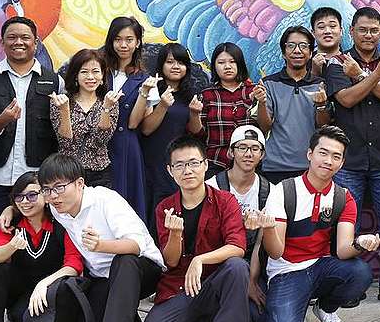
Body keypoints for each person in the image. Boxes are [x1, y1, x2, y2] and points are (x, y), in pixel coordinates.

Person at [1, 153, 165, 322]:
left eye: (59, 187)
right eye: (47, 190)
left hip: (141, 271)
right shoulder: (58, 209)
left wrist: (101, 245)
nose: (53, 196)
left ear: (79, 183)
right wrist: (10, 210)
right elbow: (29, 206)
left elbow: (136, 246)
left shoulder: (105, 200)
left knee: (123, 259)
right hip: (102, 280)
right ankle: (126, 318)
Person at [257, 125, 379, 322]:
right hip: (287, 271)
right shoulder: (284, 190)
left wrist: (360, 244)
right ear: (309, 154)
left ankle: (326, 308)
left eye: (336, 156)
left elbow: (343, 250)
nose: (328, 161)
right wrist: (267, 228)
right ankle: (299, 306)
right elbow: (276, 252)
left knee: (361, 272)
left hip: (322, 266)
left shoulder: (343, 197)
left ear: (342, 163)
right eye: (323, 153)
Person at [138, 136, 249, 322]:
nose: (187, 170)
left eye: (193, 163)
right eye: (179, 165)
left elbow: (237, 247)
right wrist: (175, 234)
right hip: (178, 288)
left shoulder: (225, 200)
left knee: (237, 267)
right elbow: (170, 261)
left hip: (213, 284)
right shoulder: (164, 208)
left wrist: (200, 260)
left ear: (205, 165)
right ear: (170, 171)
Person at [324, 8, 380, 306]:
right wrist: (376, 77)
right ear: (352, 31)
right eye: (363, 30)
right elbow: (346, 99)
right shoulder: (337, 62)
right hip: (350, 160)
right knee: (348, 225)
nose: (369, 35)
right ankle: (352, 284)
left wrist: (362, 76)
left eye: (374, 30)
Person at [0, 17, 61, 257]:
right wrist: (2, 119)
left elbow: (60, 127)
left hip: (35, 180)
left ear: (36, 43)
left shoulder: (54, 80)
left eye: (25, 37)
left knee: (35, 247)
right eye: (12, 37)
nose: (19, 42)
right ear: (2, 42)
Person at [0, 171, 84, 322]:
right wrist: (12, 246)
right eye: (19, 197)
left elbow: (74, 264)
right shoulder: (12, 224)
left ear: (46, 197)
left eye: (32, 195)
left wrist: (44, 283)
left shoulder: (61, 222)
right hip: (18, 288)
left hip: (47, 289)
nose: (25, 202)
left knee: (22, 316)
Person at [206, 125, 272, 322]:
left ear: (262, 155)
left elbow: (261, 242)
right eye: (242, 147)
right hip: (217, 262)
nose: (248, 154)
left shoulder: (269, 190)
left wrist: (251, 282)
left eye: (255, 148)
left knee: (258, 320)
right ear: (231, 152)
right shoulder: (211, 186)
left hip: (251, 262)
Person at [256, 26, 331, 184]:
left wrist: (322, 105)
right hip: (275, 166)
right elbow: (264, 126)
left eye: (303, 46)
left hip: (310, 165)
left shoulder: (319, 84)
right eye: (291, 46)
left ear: (311, 53)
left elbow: (323, 125)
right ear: (284, 53)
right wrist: (262, 103)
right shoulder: (269, 83)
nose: (297, 50)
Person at [137, 42, 199, 236]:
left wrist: (195, 113)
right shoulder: (153, 89)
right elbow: (146, 129)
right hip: (152, 160)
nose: (175, 66)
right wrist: (163, 105)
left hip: (177, 163)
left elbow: (194, 132)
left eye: (180, 62)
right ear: (161, 65)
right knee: (151, 209)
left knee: (173, 211)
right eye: (170, 62)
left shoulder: (189, 94)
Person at [103, 16, 150, 222]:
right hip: (96, 144)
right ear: (111, 41)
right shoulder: (98, 71)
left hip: (126, 146)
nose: (123, 45)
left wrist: (145, 93)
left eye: (129, 39)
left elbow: (134, 123)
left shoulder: (144, 79)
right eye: (118, 39)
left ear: (138, 42)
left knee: (128, 202)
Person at [51, 48, 121, 187]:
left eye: (95, 71)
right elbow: (66, 143)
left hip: (99, 173)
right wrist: (64, 110)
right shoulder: (61, 101)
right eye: (84, 72)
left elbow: (101, 140)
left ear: (102, 76)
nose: (90, 77)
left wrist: (106, 108)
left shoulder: (110, 101)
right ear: (75, 75)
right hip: (67, 172)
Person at [188, 42, 256, 177]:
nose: (227, 66)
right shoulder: (207, 94)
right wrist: (194, 114)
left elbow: (264, 128)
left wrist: (261, 102)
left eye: (232, 61)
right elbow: (199, 135)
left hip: (250, 163)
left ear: (240, 64)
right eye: (221, 62)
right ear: (214, 66)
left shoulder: (253, 91)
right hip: (215, 162)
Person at [310, 7, 346, 76]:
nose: (327, 31)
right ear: (313, 33)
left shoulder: (351, 61)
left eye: (332, 26)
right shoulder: (305, 62)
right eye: (321, 27)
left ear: (341, 31)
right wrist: (314, 73)